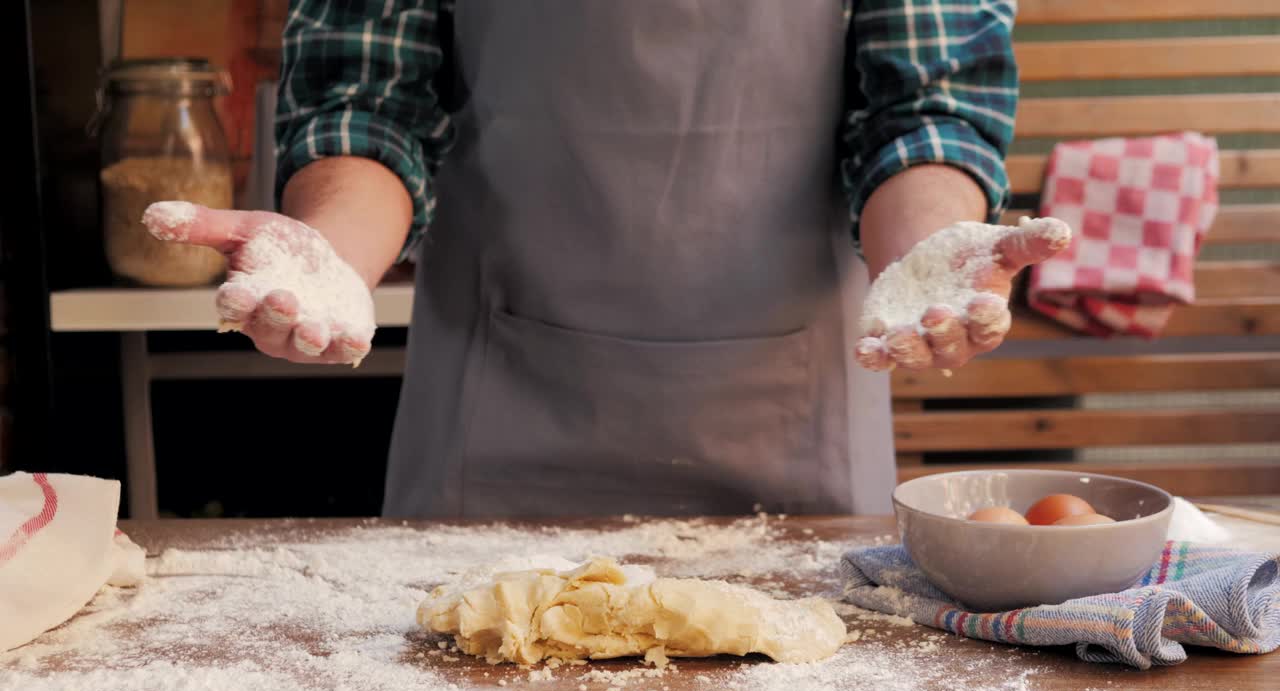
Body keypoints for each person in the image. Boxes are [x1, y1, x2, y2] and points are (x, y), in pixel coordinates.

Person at [146, 1, 1064, 518]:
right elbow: (366, 99)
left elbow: (923, 111)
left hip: (790, 424)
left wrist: (927, 258)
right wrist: (330, 256)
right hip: (493, 415)